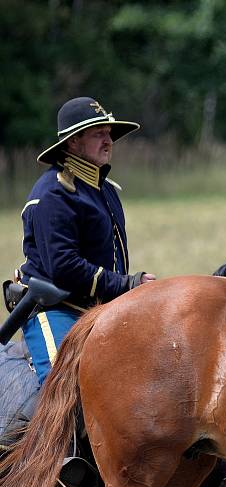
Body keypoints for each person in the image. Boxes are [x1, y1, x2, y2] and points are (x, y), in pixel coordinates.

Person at [10, 97, 156, 384]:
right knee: (63, 389)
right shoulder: (53, 193)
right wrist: (128, 284)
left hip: (100, 308)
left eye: (109, 133)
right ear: (74, 142)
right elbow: (64, 268)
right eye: (98, 133)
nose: (108, 140)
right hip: (53, 308)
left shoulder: (103, 189)